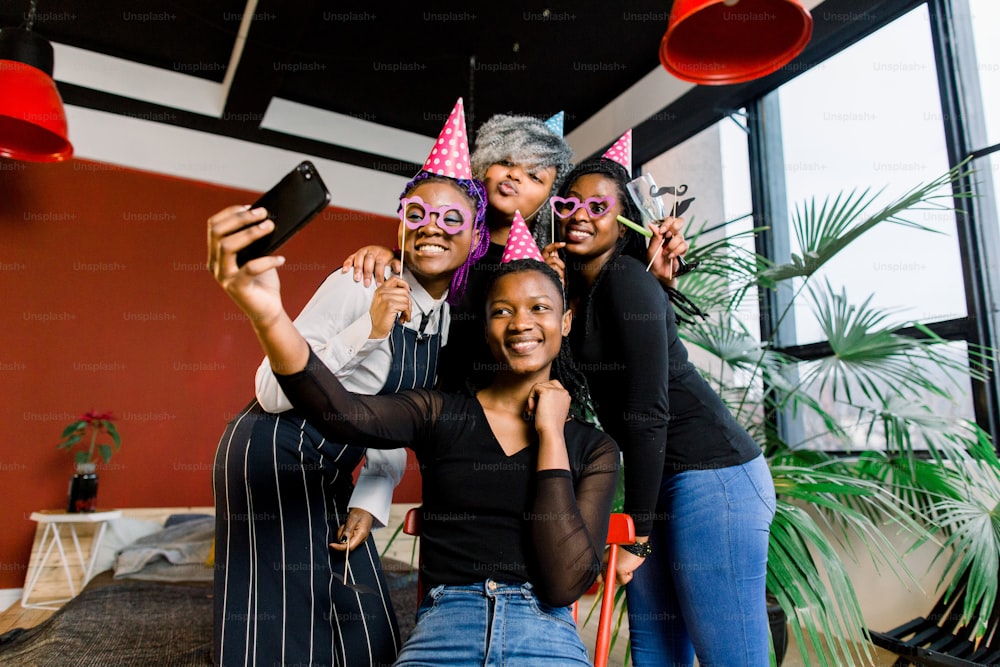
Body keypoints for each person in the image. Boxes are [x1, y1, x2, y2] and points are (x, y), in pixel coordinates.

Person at [208, 192, 620, 665]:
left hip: (540, 634)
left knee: (362, 632)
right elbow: (342, 412)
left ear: (566, 321)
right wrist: (268, 314)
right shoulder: (436, 404)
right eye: (502, 310)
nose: (520, 323)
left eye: (540, 308)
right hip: (440, 616)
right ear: (485, 327)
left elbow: (565, 583)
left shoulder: (591, 446)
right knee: (279, 621)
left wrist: (551, 436)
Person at [212, 99, 489, 667]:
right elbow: (270, 389)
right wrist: (369, 329)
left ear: (475, 236)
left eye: (451, 219)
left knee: (366, 625)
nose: (432, 228)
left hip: (333, 469)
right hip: (273, 451)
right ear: (401, 225)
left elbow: (393, 418)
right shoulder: (359, 283)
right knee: (280, 615)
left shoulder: (443, 326)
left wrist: (371, 500)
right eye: (418, 215)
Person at [552, 151, 777, 667]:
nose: (579, 214)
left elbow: (649, 411)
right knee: (655, 652)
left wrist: (640, 531)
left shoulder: (626, 278)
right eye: (569, 203)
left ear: (623, 219)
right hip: (658, 477)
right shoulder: (582, 291)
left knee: (730, 657)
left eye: (598, 205)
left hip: (714, 475)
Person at [341, 114, 689, 393]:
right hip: (439, 410)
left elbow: (605, 342)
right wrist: (388, 255)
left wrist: (659, 283)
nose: (514, 175)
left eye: (534, 175)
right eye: (506, 161)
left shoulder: (550, 265)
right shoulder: (442, 247)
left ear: (550, 199)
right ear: (484, 166)